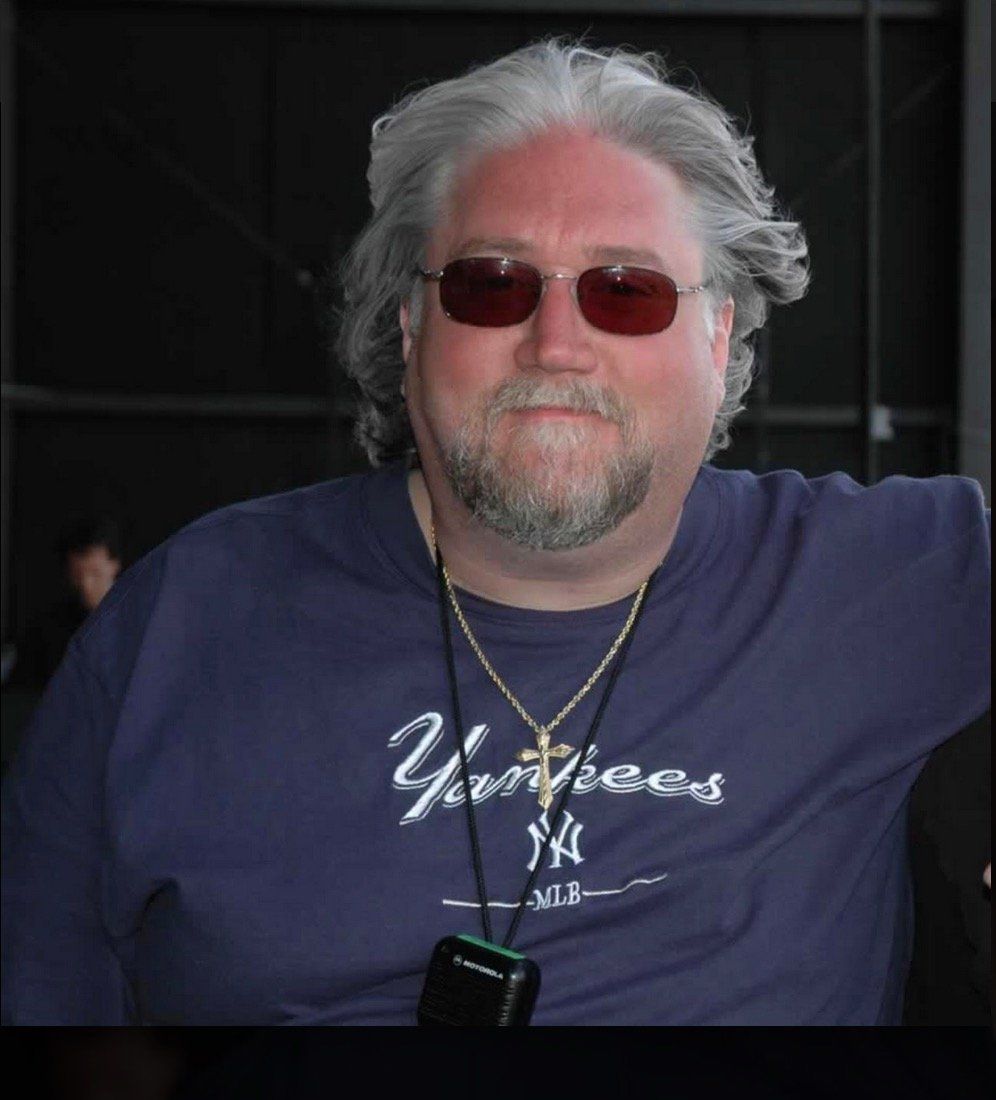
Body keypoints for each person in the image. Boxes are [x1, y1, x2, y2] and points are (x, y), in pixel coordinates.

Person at [1, 40, 989, 1026]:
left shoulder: (896, 577)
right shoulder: (182, 624)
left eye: (626, 290)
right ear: (410, 326)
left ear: (720, 333)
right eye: (493, 284)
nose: (555, 344)